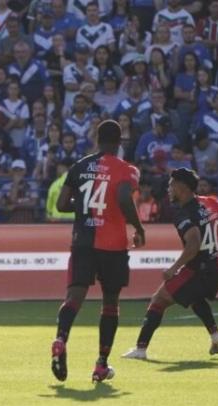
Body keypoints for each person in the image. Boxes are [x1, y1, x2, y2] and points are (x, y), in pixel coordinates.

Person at [51, 120, 146, 383]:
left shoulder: (79, 166)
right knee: (110, 304)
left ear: (96, 138)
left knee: (74, 296)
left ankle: (60, 339)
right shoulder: (127, 170)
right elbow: (125, 198)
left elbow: (60, 204)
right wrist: (138, 227)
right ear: (120, 141)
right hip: (112, 245)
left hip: (82, 241)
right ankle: (101, 364)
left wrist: (87, 207)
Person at [122, 168, 218, 359]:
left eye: (171, 185)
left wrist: (173, 268)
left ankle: (140, 349)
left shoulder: (183, 214)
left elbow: (193, 245)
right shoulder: (209, 202)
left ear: (181, 187)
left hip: (199, 269)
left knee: (159, 299)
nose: (168, 189)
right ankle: (217, 337)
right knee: (194, 297)